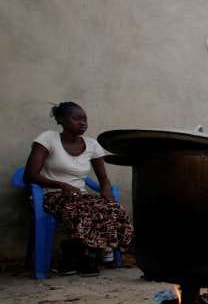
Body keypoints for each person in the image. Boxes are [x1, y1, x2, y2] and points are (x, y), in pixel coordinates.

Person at [23, 102, 133, 276]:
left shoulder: (92, 144)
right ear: (61, 120)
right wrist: (61, 185)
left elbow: (103, 178)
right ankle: (85, 256)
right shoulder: (48, 139)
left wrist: (106, 190)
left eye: (85, 119)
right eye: (77, 118)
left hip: (80, 196)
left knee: (113, 208)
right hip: (51, 195)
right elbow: (29, 175)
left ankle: (80, 252)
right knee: (80, 209)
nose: (83, 123)